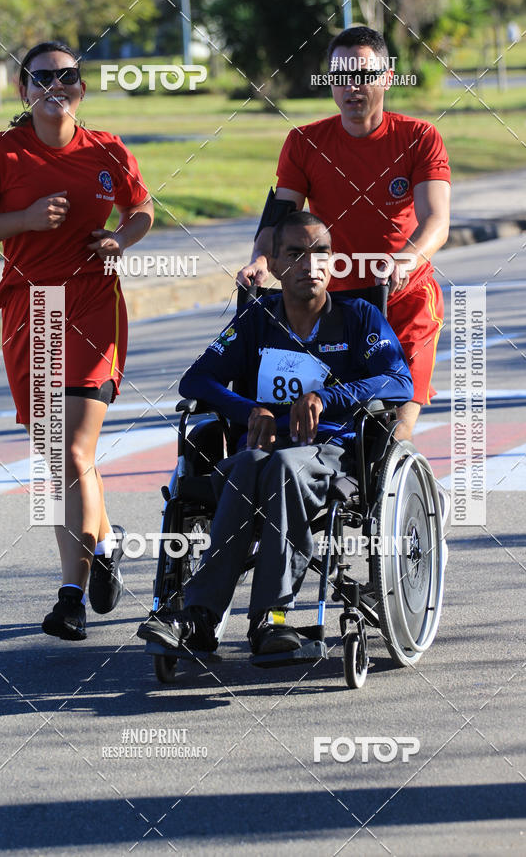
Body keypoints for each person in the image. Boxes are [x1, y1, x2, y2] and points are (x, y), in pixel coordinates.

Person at [137, 211, 413, 656]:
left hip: (327, 454)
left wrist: (327, 397)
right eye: (296, 254)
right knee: (247, 463)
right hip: (261, 453)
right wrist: (249, 411)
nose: (311, 265)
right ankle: (200, 617)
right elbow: (197, 380)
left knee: (281, 466)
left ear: (334, 261)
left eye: (321, 253)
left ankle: (271, 616)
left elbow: (399, 381)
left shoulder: (358, 316)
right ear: (276, 264)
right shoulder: (256, 320)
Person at [0, 41, 154, 641]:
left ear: (81, 88)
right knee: (61, 460)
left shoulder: (106, 150)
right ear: (24, 90)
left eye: (68, 77)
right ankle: (107, 539)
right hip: (32, 310)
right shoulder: (2, 153)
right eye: (43, 77)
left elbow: (142, 209)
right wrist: (22, 219)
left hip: (94, 308)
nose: (56, 86)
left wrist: (122, 238)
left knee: (72, 452)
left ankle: (69, 596)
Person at [237, 26, 451, 442]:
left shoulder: (419, 137)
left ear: (387, 77)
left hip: (403, 302)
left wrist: (404, 262)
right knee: (325, 430)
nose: (353, 86)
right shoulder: (304, 142)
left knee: (390, 435)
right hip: (335, 310)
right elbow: (279, 217)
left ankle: (399, 496)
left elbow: (436, 223)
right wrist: (261, 260)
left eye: (365, 74)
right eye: (341, 75)